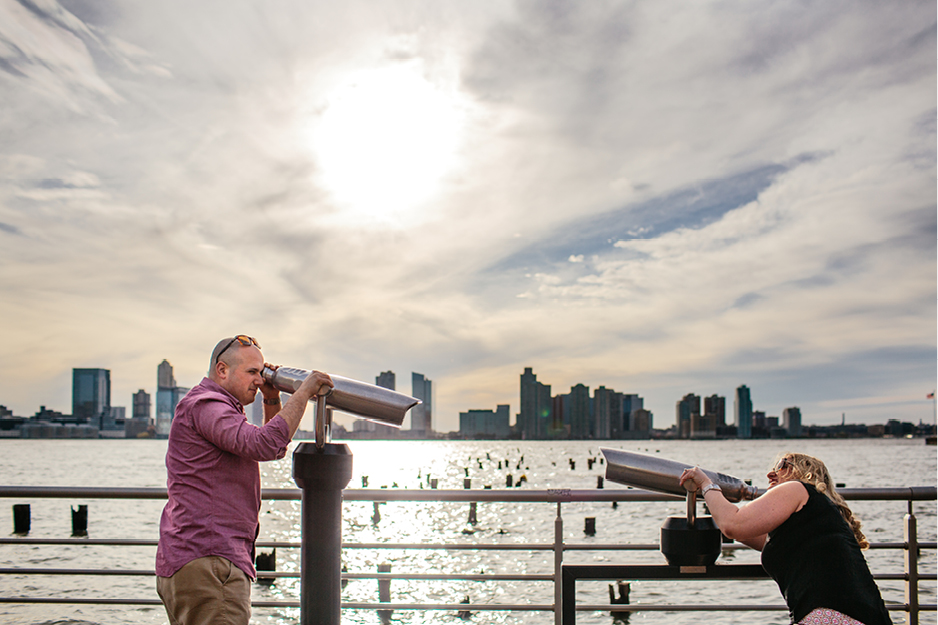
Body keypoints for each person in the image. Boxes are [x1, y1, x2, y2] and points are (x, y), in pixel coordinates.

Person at [155, 335, 333, 625]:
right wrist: (304, 391)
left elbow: (271, 448)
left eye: (261, 373)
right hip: (210, 563)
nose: (259, 380)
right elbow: (263, 444)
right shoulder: (207, 405)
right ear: (222, 370)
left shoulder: (215, 408)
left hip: (198, 559)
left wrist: (273, 398)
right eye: (252, 372)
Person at [680, 453, 892, 625]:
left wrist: (706, 483)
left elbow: (734, 525)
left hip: (833, 618)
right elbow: (743, 531)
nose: (770, 473)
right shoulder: (809, 523)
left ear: (807, 474)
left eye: (783, 465)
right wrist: (712, 501)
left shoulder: (798, 489)